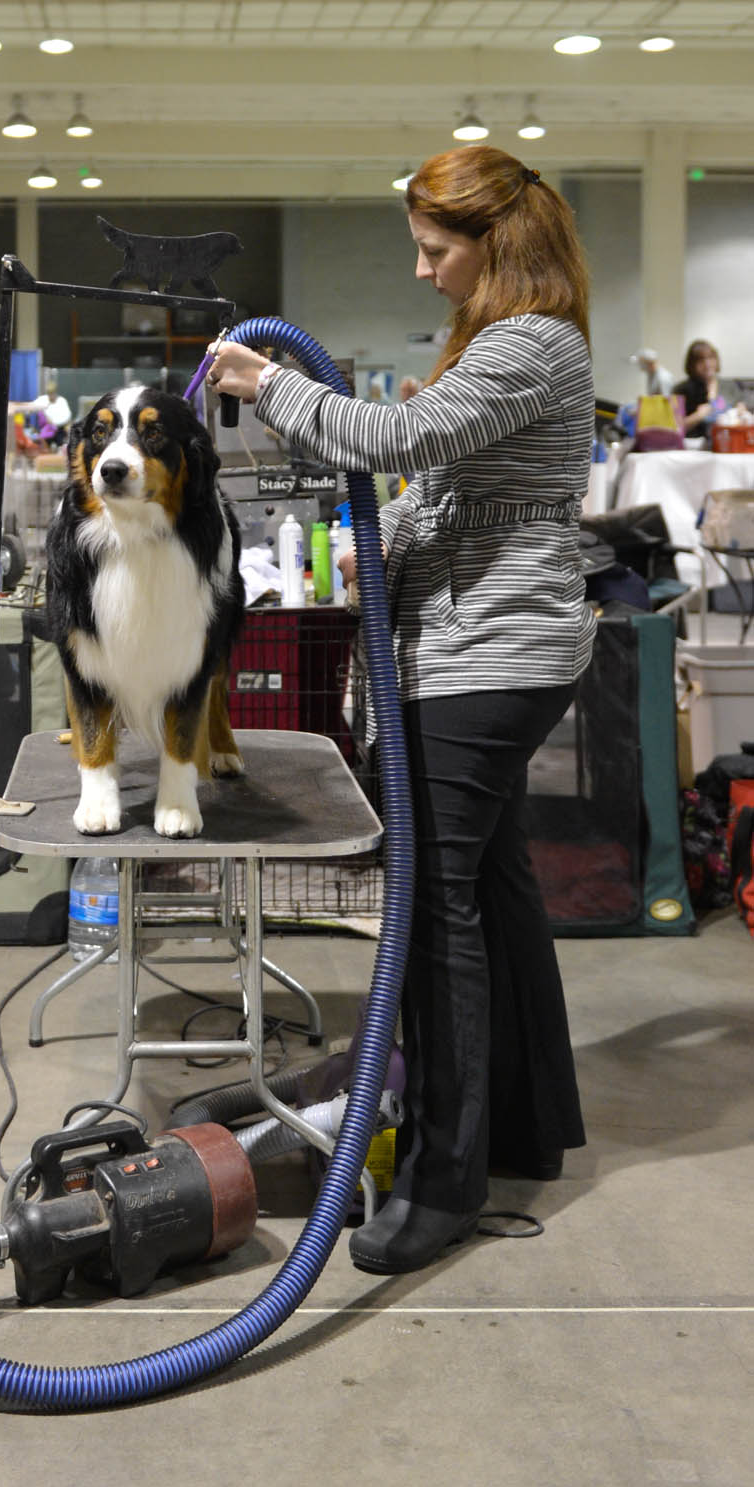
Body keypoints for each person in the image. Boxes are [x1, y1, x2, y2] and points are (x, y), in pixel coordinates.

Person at [207, 145, 593, 1276]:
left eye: (435, 251)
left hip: (483, 663)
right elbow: (444, 474)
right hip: (482, 650)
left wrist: (266, 383)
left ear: (493, 244)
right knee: (495, 898)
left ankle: (441, 1182)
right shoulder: (507, 341)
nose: (422, 273)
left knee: (434, 917)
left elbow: (393, 443)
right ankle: (522, 1127)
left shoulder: (529, 340)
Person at [673, 339, 727, 442]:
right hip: (693, 448)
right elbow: (673, 428)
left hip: (726, 446)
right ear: (692, 364)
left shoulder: (728, 387)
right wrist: (698, 416)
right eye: (701, 360)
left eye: (710, 358)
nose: (707, 364)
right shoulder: (681, 390)